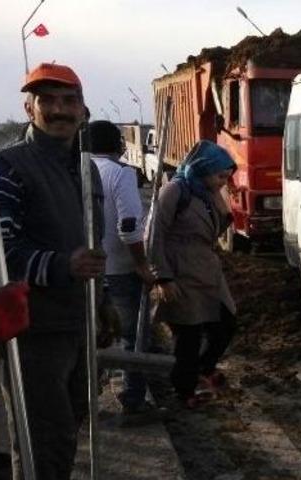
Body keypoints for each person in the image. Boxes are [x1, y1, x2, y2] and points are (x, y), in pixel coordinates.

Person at [0, 63, 105, 480]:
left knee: (68, 430)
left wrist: (101, 308)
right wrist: (61, 265)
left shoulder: (85, 168)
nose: (59, 109)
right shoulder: (9, 169)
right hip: (32, 333)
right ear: (29, 108)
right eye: (47, 100)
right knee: (42, 444)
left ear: (82, 109)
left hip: (78, 324)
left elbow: (95, 247)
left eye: (68, 100)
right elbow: (0, 254)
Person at [148, 140, 237, 409]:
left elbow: (218, 227)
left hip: (207, 271)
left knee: (226, 323)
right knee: (188, 336)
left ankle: (203, 367)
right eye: (220, 176)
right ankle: (184, 390)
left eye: (226, 177)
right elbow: (153, 235)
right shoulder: (176, 190)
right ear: (204, 168)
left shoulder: (207, 193)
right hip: (180, 272)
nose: (223, 181)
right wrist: (162, 277)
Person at [88, 120, 156, 418]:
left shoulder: (73, 171)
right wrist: (141, 264)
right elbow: (129, 226)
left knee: (89, 337)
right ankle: (133, 401)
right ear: (118, 145)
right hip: (118, 269)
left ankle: (86, 401)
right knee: (132, 336)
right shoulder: (120, 173)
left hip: (82, 271)